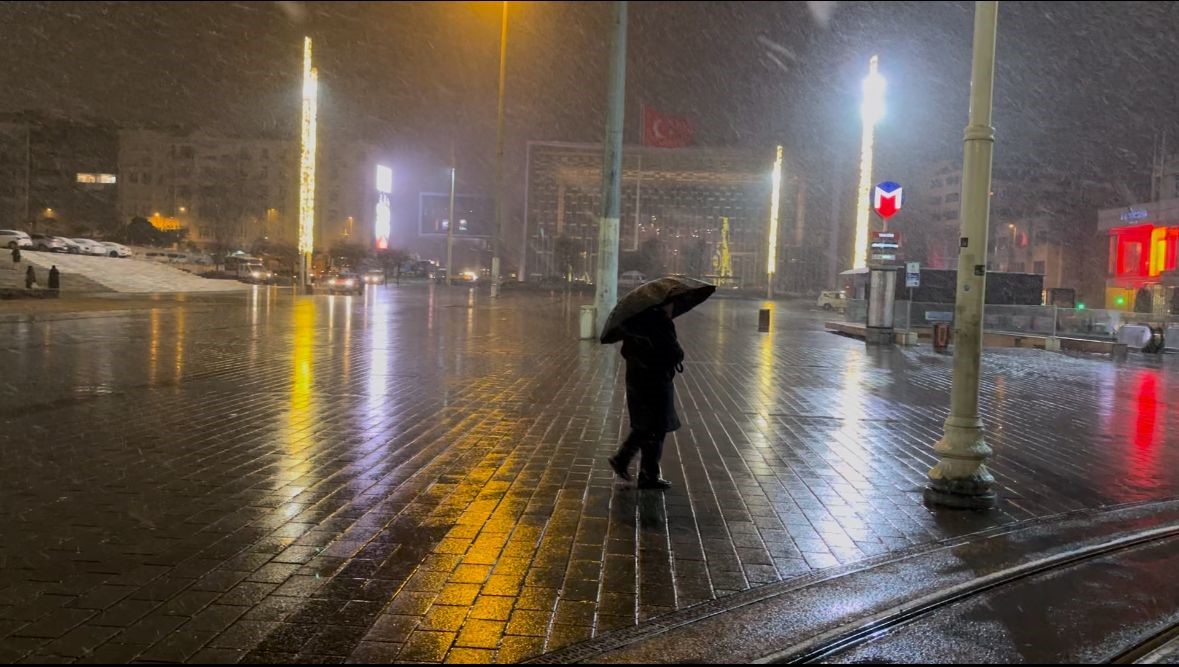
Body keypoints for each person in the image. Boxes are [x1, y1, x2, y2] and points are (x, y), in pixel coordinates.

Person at [608, 300, 684, 490]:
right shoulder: (661, 323)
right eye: (671, 304)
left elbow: (627, 351)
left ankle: (642, 471)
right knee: (655, 427)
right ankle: (633, 465)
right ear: (665, 304)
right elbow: (673, 353)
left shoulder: (637, 323)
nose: (673, 307)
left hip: (637, 380)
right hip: (656, 382)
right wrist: (678, 352)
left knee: (647, 425)